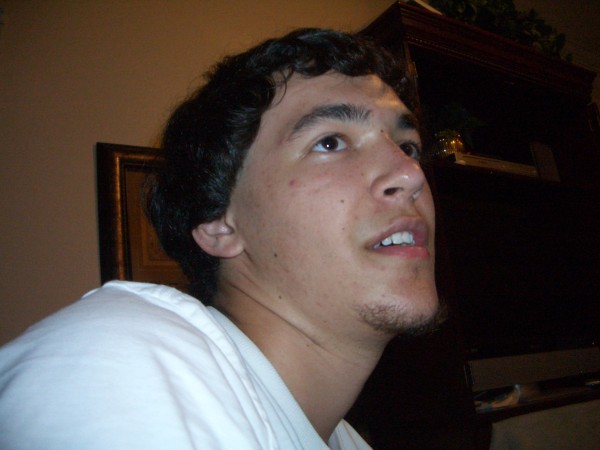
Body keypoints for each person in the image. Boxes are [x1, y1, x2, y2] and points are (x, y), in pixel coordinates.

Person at [0, 28, 441, 449]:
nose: (410, 174)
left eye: (408, 147)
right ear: (220, 224)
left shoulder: (342, 439)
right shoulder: (121, 369)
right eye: (329, 143)